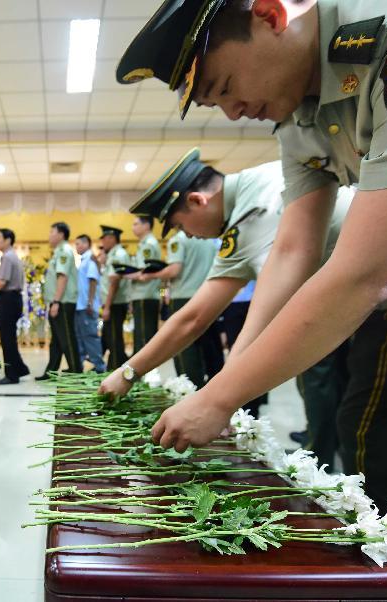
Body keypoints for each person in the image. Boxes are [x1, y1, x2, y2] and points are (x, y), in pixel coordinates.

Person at [116, 0, 387, 589]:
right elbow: (293, 253)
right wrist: (229, 381)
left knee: (373, 444)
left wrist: (219, 398)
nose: (235, 114)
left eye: (226, 86)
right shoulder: (297, 112)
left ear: (269, 12)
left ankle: (383, 588)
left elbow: (364, 272)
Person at [100, 151, 349, 419]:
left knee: (356, 420)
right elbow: (193, 317)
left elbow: (258, 323)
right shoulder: (245, 199)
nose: (189, 235)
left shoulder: (253, 211)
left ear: (197, 200)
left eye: (182, 227)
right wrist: (129, 372)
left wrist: (214, 402)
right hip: (352, 305)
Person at [138, 225, 221, 386]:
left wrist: (152, 275)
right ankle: (212, 388)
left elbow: (175, 270)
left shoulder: (178, 239)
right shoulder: (210, 241)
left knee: (184, 348)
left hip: (184, 297)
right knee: (209, 347)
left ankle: (189, 390)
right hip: (209, 296)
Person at [37, 222, 82, 380]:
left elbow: (62, 277)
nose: (49, 235)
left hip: (62, 302)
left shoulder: (64, 251)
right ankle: (51, 371)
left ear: (61, 234)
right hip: (58, 301)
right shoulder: (58, 252)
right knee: (57, 339)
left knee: (66, 337)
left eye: (52, 232)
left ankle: (76, 370)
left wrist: (56, 302)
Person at [0, 228, 30, 384]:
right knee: (9, 337)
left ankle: (12, 374)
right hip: (13, 299)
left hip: (8, 298)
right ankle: (19, 368)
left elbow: (2, 281)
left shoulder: (7, 257)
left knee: (7, 339)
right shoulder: (13, 255)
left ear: (7, 240)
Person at [128, 216, 161, 353]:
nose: (133, 227)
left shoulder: (148, 244)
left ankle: (142, 373)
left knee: (143, 338)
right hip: (146, 295)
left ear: (146, 225)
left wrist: (125, 274)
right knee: (145, 336)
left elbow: (144, 272)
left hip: (145, 295)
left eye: (136, 224)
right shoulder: (147, 243)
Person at [99, 225, 131, 370]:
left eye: (104, 239)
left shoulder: (118, 254)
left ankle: (116, 368)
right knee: (110, 336)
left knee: (114, 338)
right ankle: (120, 364)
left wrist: (107, 307)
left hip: (115, 304)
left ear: (112, 238)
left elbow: (114, 282)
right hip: (114, 303)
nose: (102, 243)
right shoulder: (114, 254)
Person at [73, 234, 106, 373]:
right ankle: (78, 366)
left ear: (87, 244)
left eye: (79, 244)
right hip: (80, 306)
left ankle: (99, 367)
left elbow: (93, 280)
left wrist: (90, 302)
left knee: (90, 337)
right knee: (80, 337)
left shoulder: (90, 260)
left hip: (87, 306)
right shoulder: (83, 260)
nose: (77, 247)